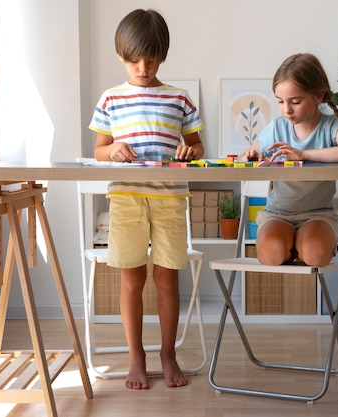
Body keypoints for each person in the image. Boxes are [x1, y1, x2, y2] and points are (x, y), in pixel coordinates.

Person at [89, 8, 204, 390]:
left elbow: (198, 146)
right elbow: (100, 150)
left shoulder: (179, 98)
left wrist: (191, 153)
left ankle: (167, 354)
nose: (143, 67)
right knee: (131, 280)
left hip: (170, 197)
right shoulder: (110, 99)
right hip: (126, 198)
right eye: (134, 59)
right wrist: (115, 149)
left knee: (167, 278)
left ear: (163, 55)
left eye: (151, 59)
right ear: (121, 56)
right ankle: (135, 356)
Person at [240, 53, 338, 266]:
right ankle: (291, 245)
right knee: (272, 254)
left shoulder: (329, 126)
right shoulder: (278, 127)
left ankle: (300, 245)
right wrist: (253, 155)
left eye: (295, 102)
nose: (286, 109)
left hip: (318, 215)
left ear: (318, 97)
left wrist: (304, 154)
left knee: (314, 254)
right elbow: (243, 157)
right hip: (277, 214)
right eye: (280, 101)